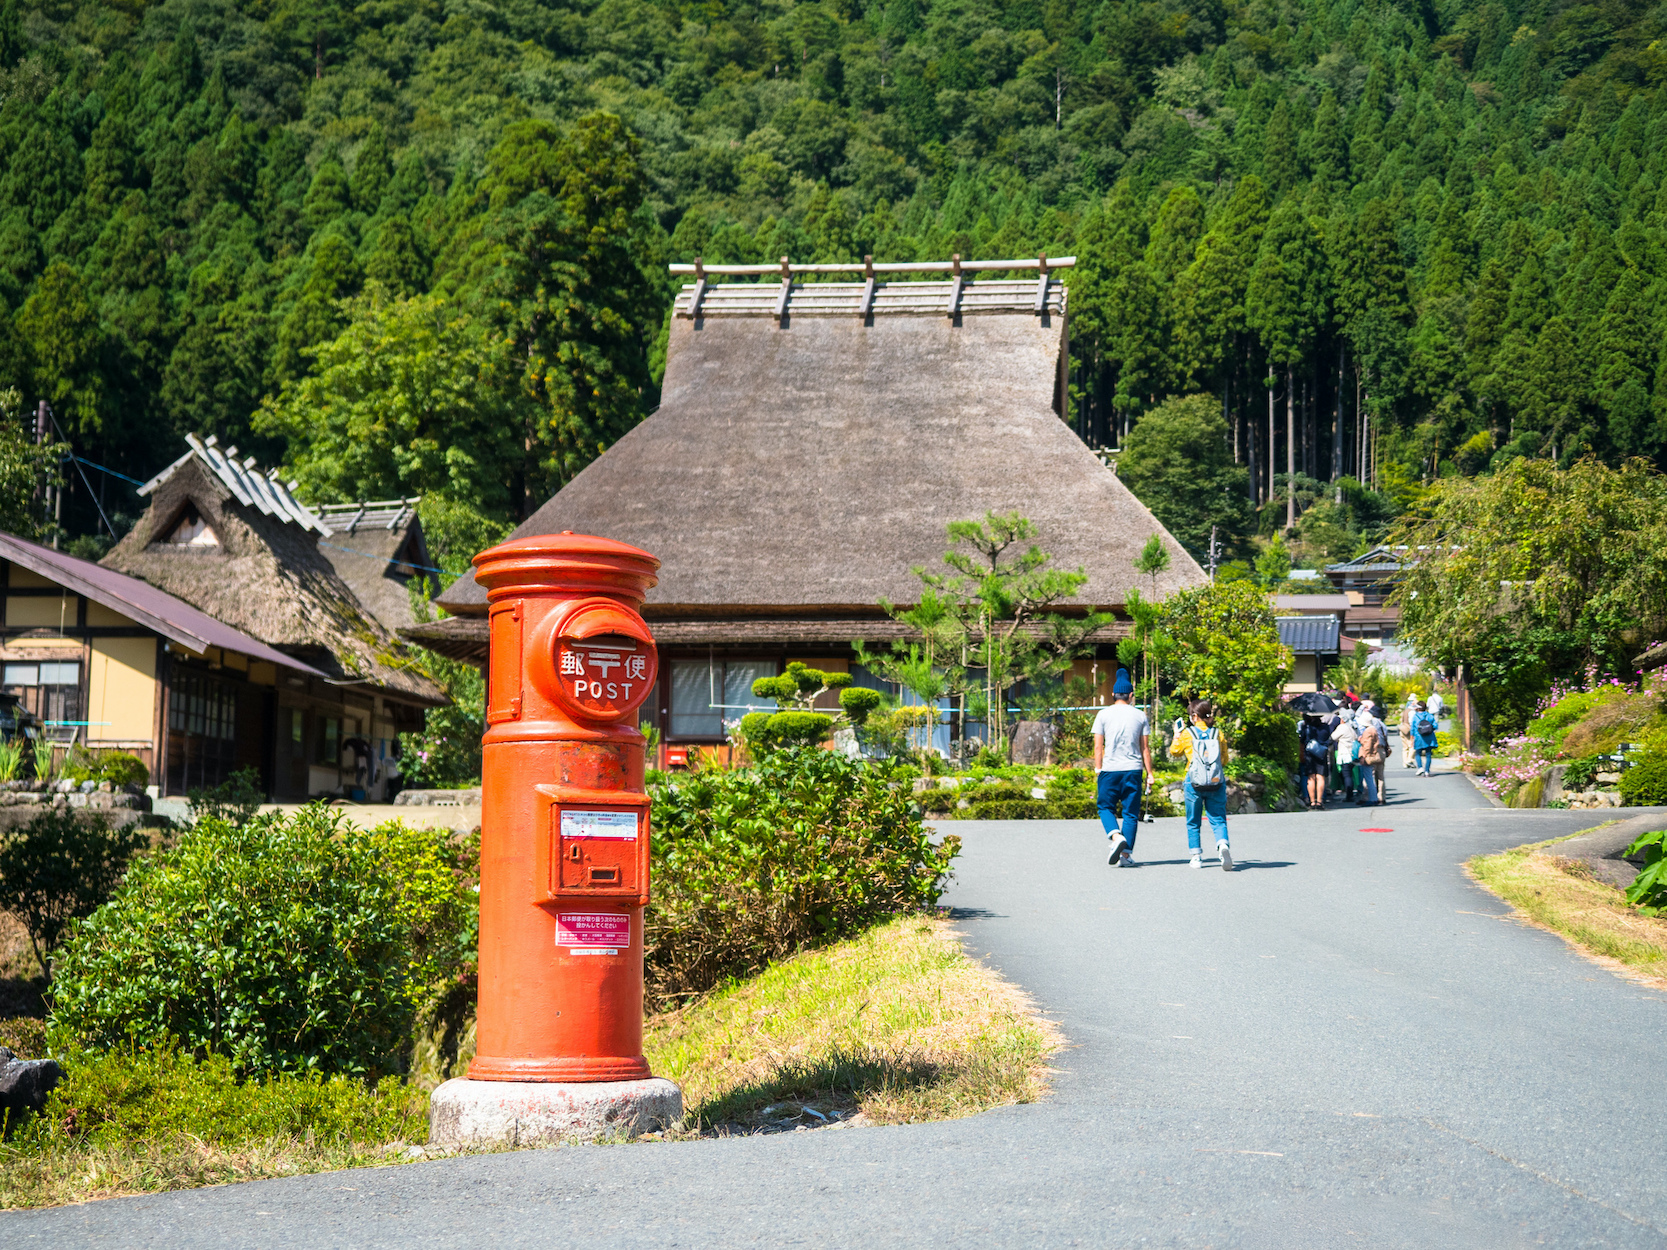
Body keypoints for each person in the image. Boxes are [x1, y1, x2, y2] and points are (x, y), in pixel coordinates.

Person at [1093, 668, 1153, 867]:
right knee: (1130, 813)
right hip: (1133, 770)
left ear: (1112, 694)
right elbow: (1145, 748)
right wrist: (1150, 773)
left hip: (1109, 769)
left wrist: (1098, 769)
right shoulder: (1140, 716)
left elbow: (1098, 746)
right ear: (1131, 695)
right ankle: (1126, 857)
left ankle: (1115, 836)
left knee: (1104, 807)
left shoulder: (1103, 715)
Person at [1170, 699, 1232, 870]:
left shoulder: (1187, 734)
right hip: (1215, 781)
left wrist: (1177, 734)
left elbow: (1174, 752)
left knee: (1193, 820)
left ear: (1195, 716)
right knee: (1218, 818)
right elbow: (1224, 759)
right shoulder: (1217, 733)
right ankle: (1222, 844)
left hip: (1193, 781)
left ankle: (1196, 856)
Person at [1298, 711, 1332, 810]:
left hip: (1309, 754)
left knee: (1311, 778)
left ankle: (1312, 802)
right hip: (1321, 754)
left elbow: (1302, 740)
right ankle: (1320, 801)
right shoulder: (1325, 727)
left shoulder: (1307, 727)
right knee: (1320, 777)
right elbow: (1328, 738)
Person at [1354, 709, 1384, 806]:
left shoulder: (1368, 731)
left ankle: (1372, 799)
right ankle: (1373, 797)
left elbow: (1367, 745)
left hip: (1368, 756)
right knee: (1370, 777)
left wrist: (1363, 756)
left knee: (1368, 778)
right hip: (1373, 754)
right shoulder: (1373, 729)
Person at [1332, 713, 1359, 802]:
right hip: (1352, 754)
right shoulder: (1350, 727)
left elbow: (1333, 737)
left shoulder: (1342, 727)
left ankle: (1349, 796)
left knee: (1346, 775)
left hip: (1345, 754)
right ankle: (1350, 794)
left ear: (1342, 719)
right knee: (1349, 775)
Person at [1410, 700, 1439, 775]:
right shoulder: (1429, 716)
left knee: (1417, 753)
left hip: (1419, 737)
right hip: (1429, 737)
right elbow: (1435, 726)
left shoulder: (1415, 717)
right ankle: (1427, 771)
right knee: (1428, 754)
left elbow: (1412, 728)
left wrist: (1412, 738)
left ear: (1418, 708)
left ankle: (1420, 768)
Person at [1400, 692, 1418, 769]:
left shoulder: (1405, 710)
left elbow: (1401, 720)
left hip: (1403, 729)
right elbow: (1411, 722)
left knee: (1405, 747)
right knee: (1412, 745)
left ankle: (1405, 763)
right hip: (1409, 730)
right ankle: (1409, 760)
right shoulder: (1412, 712)